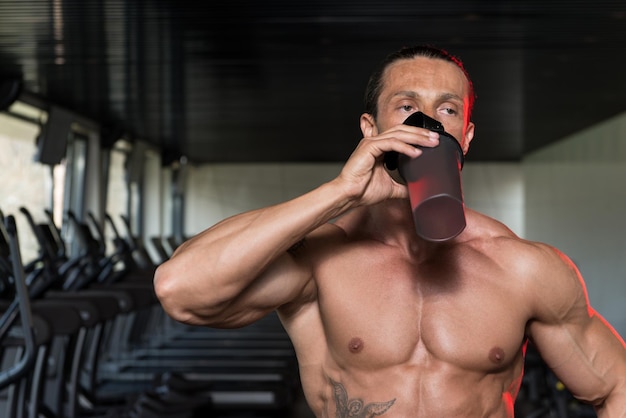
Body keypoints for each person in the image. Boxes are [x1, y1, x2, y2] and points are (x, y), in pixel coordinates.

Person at [153, 45, 626, 417]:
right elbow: (181, 291)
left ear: (466, 136)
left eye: (447, 111)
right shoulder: (321, 259)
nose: (426, 125)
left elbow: (615, 386)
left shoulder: (524, 267)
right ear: (370, 129)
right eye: (405, 107)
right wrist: (341, 192)